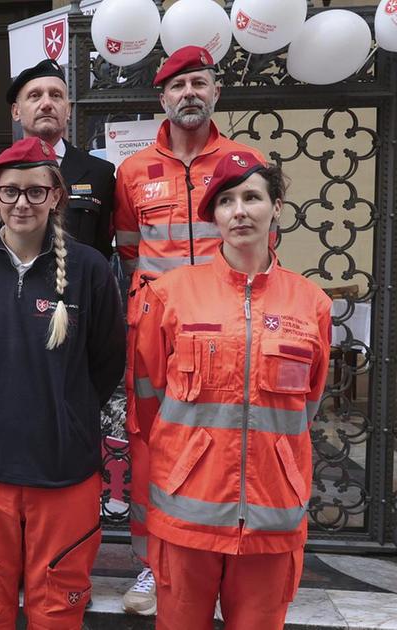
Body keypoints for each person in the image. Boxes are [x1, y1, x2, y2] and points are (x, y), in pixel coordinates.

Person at [130, 152, 330, 628]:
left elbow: (308, 405)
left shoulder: (311, 303)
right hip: (186, 513)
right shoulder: (170, 294)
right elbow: (149, 396)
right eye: (226, 201)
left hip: (272, 515)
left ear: (276, 207)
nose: (239, 210)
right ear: (213, 215)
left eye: (252, 197)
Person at [0, 137, 125, 628]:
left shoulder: (91, 270)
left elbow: (105, 363)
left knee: (59, 610)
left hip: (63, 471)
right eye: (10, 191)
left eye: (35, 192)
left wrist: (67, 412)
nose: (22, 203)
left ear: (56, 196)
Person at [112, 45, 266, 615]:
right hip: (155, 331)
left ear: (216, 92)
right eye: (178, 87)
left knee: (228, 437)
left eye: (199, 83)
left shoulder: (243, 162)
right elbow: (127, 252)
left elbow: (257, 248)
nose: (189, 94)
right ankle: (154, 566)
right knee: (152, 443)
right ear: (162, 98)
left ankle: (227, 559)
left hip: (226, 328)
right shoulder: (133, 170)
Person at [7, 58, 115, 257]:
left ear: (68, 110)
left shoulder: (100, 174)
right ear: (16, 111)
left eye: (56, 96)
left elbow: (102, 251)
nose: (46, 104)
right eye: (35, 95)